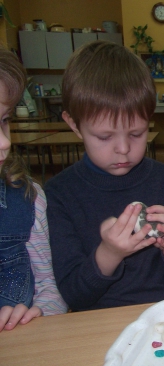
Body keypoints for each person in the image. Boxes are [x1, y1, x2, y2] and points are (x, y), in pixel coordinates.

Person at [44, 41, 164, 311]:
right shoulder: (59, 194)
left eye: (137, 133)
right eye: (104, 136)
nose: (123, 149)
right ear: (74, 124)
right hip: (98, 321)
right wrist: (109, 253)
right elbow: (72, 295)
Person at [0, 45, 67, 330]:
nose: (5, 142)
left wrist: (38, 314)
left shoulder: (29, 198)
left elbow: (52, 292)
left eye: (4, 121)